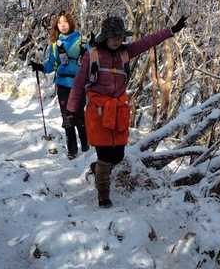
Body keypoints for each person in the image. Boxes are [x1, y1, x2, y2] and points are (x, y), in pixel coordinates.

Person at [67, 13, 188, 208]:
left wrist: (171, 30)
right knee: (105, 155)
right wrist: (72, 111)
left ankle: (97, 169)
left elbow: (148, 42)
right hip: (98, 112)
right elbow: (79, 83)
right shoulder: (93, 55)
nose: (117, 40)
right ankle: (103, 196)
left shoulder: (125, 52)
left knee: (117, 156)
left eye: (120, 37)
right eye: (113, 37)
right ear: (105, 37)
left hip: (119, 112)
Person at [29, 11, 89, 158]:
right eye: (60, 22)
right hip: (62, 84)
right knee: (67, 118)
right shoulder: (56, 44)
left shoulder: (81, 41)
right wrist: (40, 67)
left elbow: (91, 61)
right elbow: (51, 64)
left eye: (65, 22)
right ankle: (72, 151)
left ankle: (86, 147)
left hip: (78, 84)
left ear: (70, 23)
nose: (62, 25)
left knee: (79, 116)